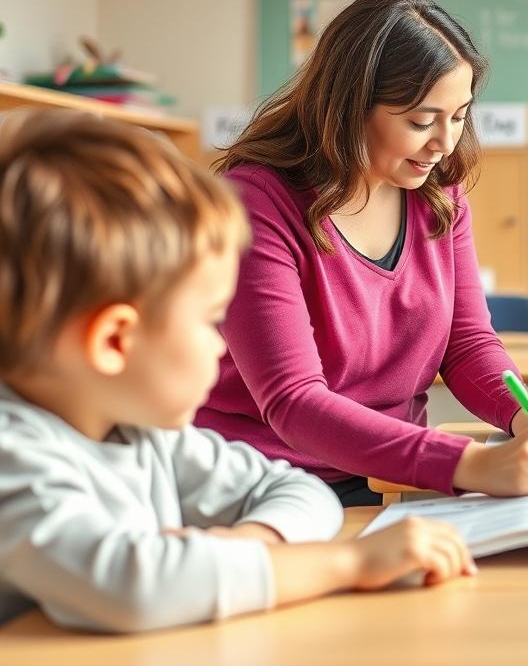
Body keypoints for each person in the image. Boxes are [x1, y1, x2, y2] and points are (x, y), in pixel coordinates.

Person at [0, 110, 476, 632]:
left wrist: (248, 544)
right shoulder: (16, 458)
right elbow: (135, 589)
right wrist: (352, 564)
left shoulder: (142, 433)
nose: (220, 347)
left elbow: (301, 492)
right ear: (114, 340)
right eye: (210, 322)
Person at [197, 0, 528, 507]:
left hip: (395, 475)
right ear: (349, 108)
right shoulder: (258, 204)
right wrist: (468, 463)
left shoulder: (438, 195)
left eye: (460, 116)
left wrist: (525, 413)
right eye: (421, 121)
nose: (446, 143)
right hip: (267, 482)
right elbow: (293, 401)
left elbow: (468, 342)